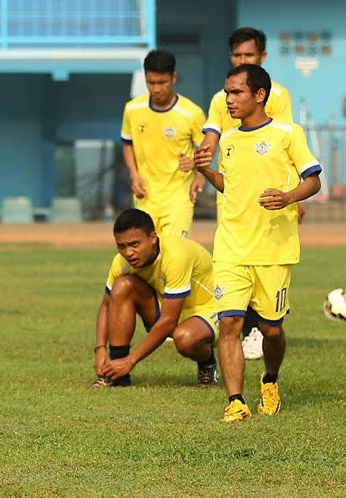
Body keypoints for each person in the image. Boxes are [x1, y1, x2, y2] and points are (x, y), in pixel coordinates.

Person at [193, 64, 321, 423]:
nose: (228, 100)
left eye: (236, 93)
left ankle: (270, 379)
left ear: (259, 95)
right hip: (231, 246)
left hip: (274, 249)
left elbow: (313, 180)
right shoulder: (229, 140)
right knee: (230, 324)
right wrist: (205, 171)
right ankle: (236, 401)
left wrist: (288, 197)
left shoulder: (287, 133)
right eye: (226, 92)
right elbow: (229, 185)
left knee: (272, 330)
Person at [199, 27, 297, 361]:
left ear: (262, 59)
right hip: (232, 191)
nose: (242, 60)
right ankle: (235, 327)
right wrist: (204, 165)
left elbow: (283, 145)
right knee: (233, 266)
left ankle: (262, 329)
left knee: (263, 275)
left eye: (248, 56)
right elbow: (213, 133)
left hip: (268, 200)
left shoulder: (276, 96)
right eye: (237, 56)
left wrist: (293, 195)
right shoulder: (219, 98)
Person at [91, 209, 218, 388]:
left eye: (134, 244)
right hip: (170, 305)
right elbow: (106, 305)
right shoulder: (121, 263)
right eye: (121, 246)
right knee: (122, 286)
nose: (128, 253)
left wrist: (131, 361)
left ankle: (207, 361)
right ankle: (115, 374)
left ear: (152, 238)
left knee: (185, 338)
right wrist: (101, 349)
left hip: (209, 307)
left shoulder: (176, 255)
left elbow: (168, 321)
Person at [120, 50, 205, 238]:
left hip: (179, 197)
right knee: (148, 257)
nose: (157, 89)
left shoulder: (192, 113)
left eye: (162, 83)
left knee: (174, 253)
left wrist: (197, 169)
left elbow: (205, 149)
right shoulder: (132, 109)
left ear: (173, 78)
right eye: (151, 83)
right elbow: (127, 144)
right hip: (146, 197)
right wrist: (134, 175)